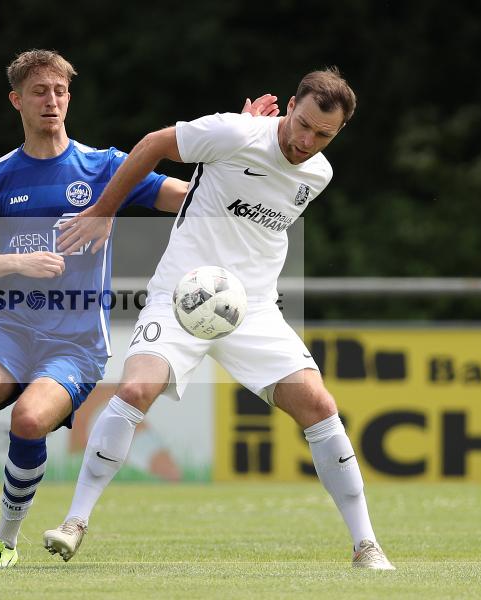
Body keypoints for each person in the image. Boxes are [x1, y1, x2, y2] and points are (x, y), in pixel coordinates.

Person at [0, 49, 278, 568]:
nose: (52, 101)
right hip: (10, 330)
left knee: (28, 418)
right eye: (40, 92)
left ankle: (4, 541)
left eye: (60, 91)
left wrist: (241, 147)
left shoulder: (105, 166)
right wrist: (16, 260)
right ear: (16, 100)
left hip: (76, 343)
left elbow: (190, 197)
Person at [45, 67, 396, 570]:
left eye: (324, 135)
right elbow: (150, 145)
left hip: (251, 308)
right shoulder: (234, 132)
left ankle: (367, 545)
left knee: (319, 405)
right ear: (292, 107)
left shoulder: (318, 175)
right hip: (181, 295)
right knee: (134, 391)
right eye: (303, 124)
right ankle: (74, 523)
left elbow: (231, 197)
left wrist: (231, 152)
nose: (307, 141)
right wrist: (104, 209)